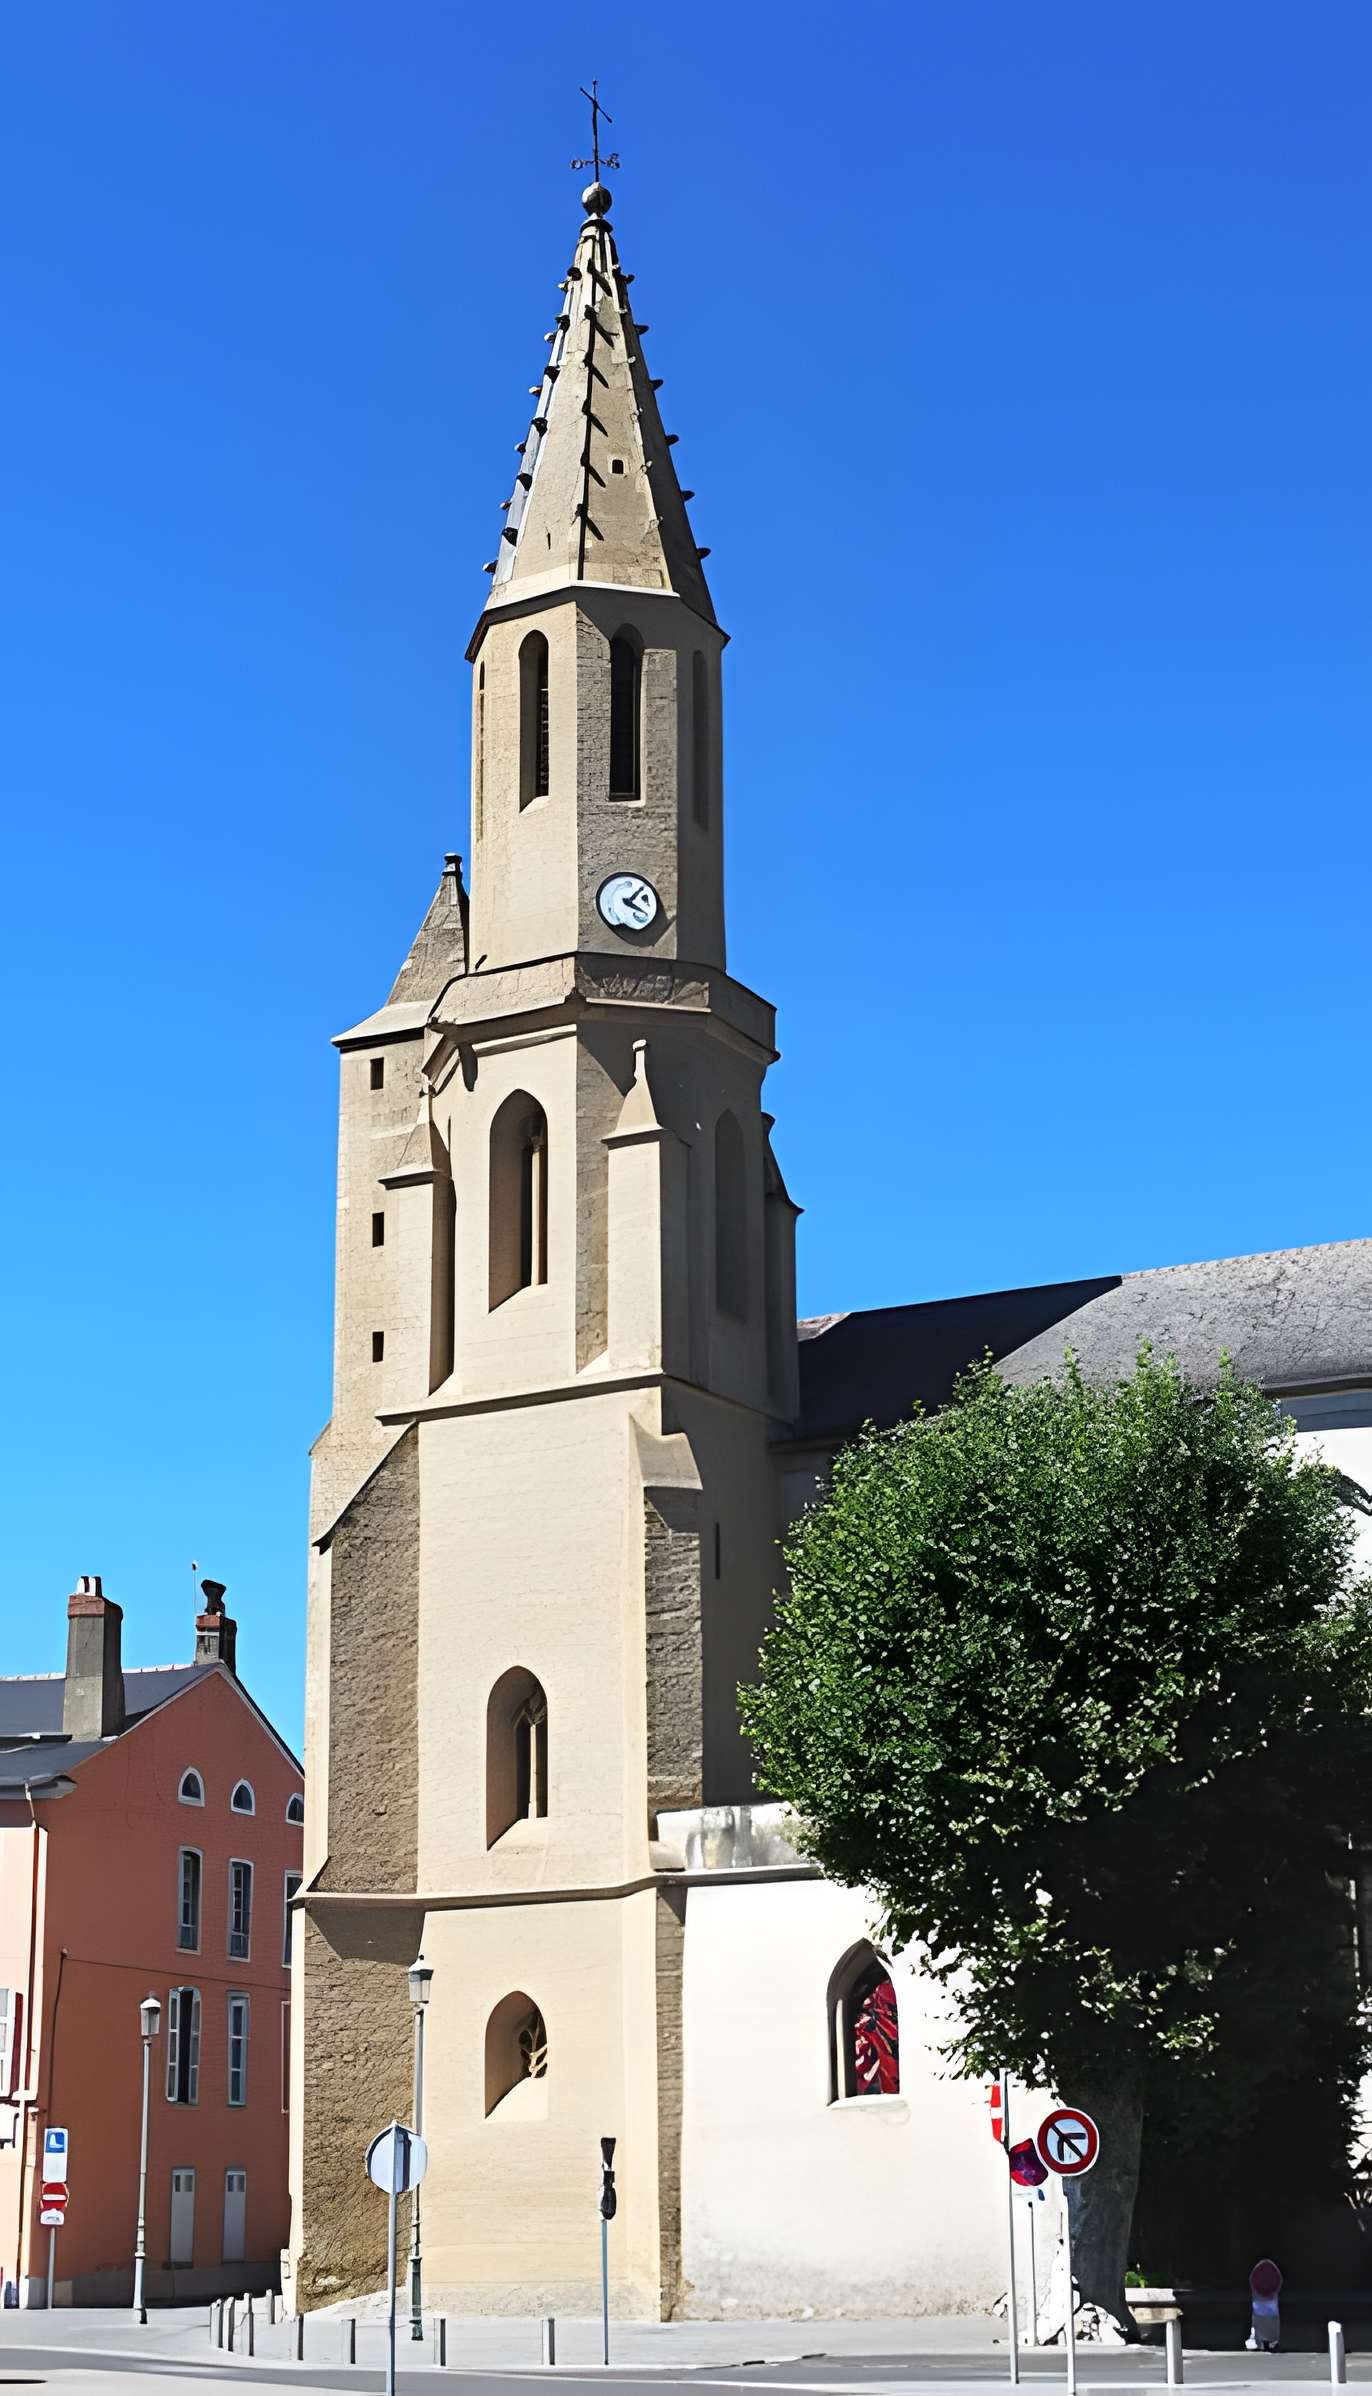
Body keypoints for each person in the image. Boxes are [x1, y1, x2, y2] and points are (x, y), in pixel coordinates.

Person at [1246, 2259, 1283, 2353]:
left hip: (1267, 2299)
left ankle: (1269, 2341)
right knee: (1262, 2320)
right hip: (1262, 2299)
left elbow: (1277, 2281)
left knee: (1267, 2320)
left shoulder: (1269, 2272)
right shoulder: (1261, 2273)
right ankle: (1264, 2341)